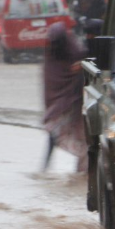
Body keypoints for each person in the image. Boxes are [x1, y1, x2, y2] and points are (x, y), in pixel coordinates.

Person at [43, 22, 88, 172]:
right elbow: (50, 84)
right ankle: (46, 166)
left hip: (74, 102)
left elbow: (87, 62)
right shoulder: (52, 57)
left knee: (81, 135)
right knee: (54, 133)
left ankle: (82, 170)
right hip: (60, 105)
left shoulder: (74, 51)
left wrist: (81, 66)